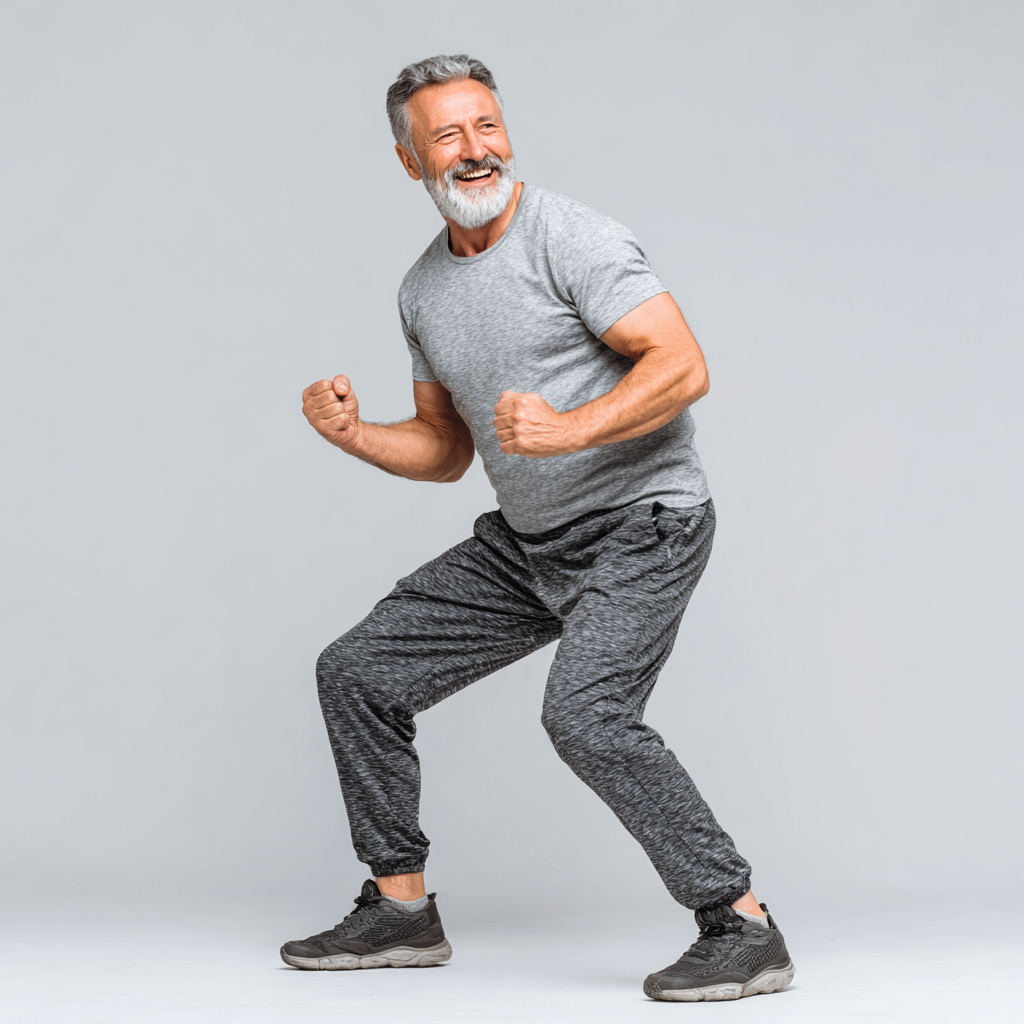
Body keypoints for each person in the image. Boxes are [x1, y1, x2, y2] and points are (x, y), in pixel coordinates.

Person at [280, 54, 794, 1002]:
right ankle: (399, 911)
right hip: (530, 545)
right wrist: (353, 433)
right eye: (448, 136)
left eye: (487, 127)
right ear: (410, 162)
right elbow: (443, 450)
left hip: (646, 524)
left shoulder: (573, 238)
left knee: (586, 716)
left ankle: (740, 924)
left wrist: (571, 428)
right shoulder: (423, 291)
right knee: (358, 673)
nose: (476, 151)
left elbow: (683, 365)